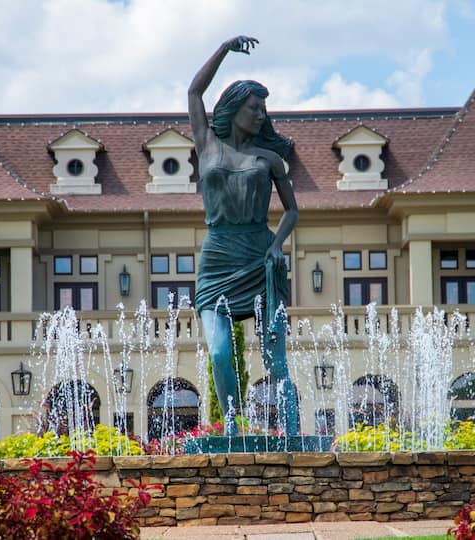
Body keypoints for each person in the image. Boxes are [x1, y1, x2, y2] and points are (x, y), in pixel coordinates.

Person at [188, 36, 299, 436]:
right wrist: (223, 48)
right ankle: (234, 427)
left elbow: (292, 211)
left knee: (275, 359)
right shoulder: (207, 146)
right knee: (219, 351)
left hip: (258, 255)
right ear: (234, 108)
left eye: (263, 109)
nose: (260, 115)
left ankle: (291, 430)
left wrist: (275, 247)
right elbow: (194, 90)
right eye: (254, 107)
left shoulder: (269, 159)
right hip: (218, 256)